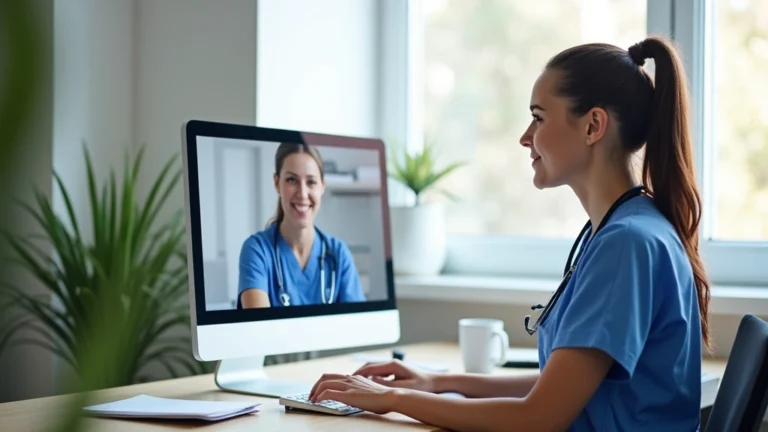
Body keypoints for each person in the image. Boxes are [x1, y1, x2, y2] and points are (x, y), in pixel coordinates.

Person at [308, 35, 711, 431]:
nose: (525, 137)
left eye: (538, 117)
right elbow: (561, 389)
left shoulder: (626, 244)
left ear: (593, 126)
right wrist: (437, 382)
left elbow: (539, 417)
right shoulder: (622, 230)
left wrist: (393, 400)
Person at [237, 142, 367, 308]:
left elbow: (357, 322)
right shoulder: (257, 251)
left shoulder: (338, 254)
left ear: (322, 186)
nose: (302, 194)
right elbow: (259, 323)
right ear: (277, 183)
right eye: (292, 180)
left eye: (311, 182)